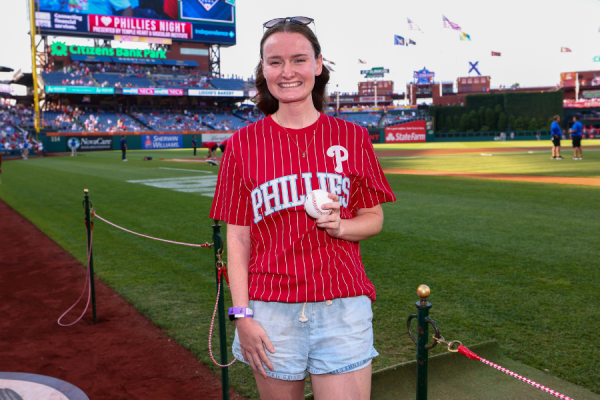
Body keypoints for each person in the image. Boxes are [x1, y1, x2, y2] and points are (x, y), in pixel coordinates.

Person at [210, 17, 396, 400]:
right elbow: (238, 239)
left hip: (342, 306)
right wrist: (241, 316)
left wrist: (342, 227)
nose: (287, 71)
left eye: (298, 59)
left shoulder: (352, 137)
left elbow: (374, 218)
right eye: (275, 61)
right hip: (270, 311)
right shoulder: (242, 145)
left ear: (318, 64)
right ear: (263, 69)